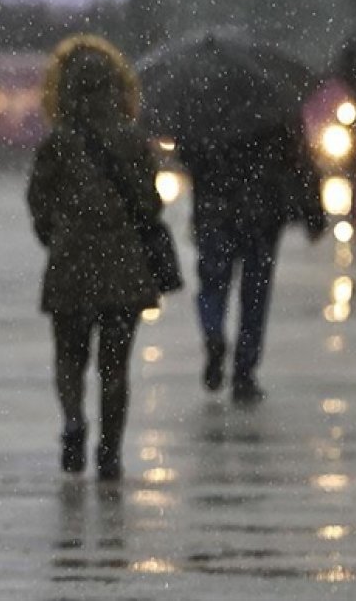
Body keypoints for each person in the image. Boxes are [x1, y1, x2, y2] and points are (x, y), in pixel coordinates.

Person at [27, 35, 160, 481]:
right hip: (124, 267)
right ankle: (109, 452)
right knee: (115, 365)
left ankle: (72, 420)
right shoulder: (132, 139)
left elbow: (38, 202)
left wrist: (57, 236)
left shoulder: (58, 141)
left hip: (71, 263)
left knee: (69, 356)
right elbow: (150, 203)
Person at [177, 123, 325, 404]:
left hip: (215, 209)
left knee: (212, 284)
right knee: (255, 295)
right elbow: (300, 160)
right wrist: (312, 211)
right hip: (263, 213)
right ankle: (244, 373)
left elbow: (186, 153)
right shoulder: (274, 107)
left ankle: (213, 332)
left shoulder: (206, 104)